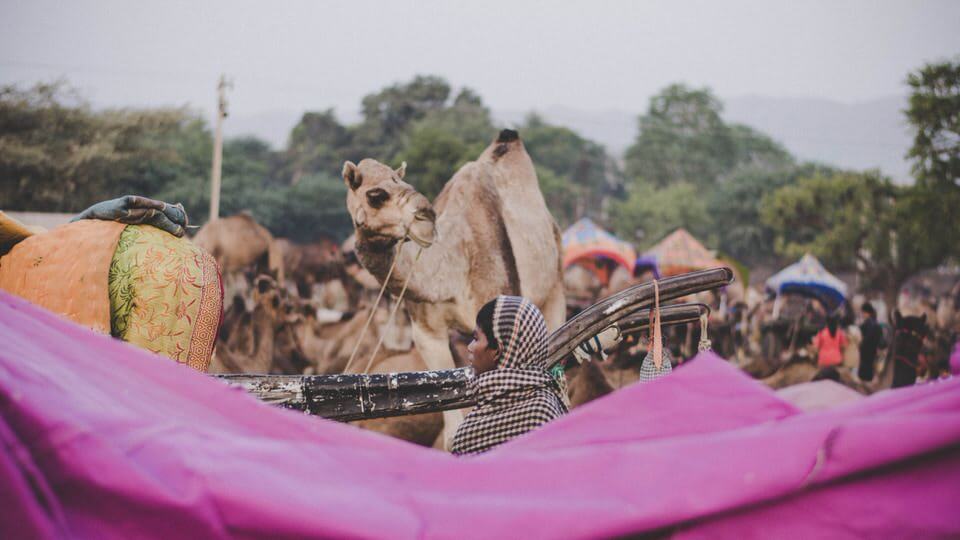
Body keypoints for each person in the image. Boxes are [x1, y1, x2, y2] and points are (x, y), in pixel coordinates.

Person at [451, 296, 568, 455]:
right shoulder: (546, 409)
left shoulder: (467, 435)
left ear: (497, 351)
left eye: (476, 339)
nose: (470, 347)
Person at [857, 302, 885, 381]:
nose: (862, 315)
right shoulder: (877, 324)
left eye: (862, 313)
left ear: (866, 312)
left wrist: (861, 346)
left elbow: (864, 339)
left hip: (865, 353)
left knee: (863, 377)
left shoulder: (867, 323)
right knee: (870, 375)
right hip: (873, 353)